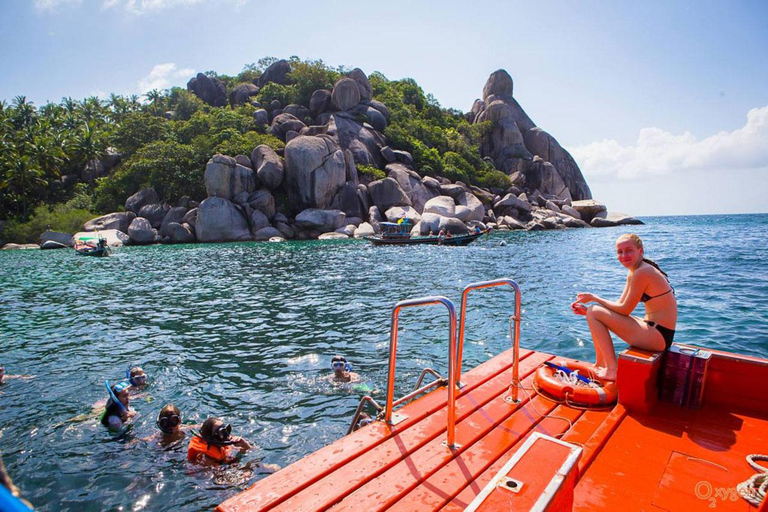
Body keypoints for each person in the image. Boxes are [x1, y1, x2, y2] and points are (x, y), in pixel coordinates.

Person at [571, 233, 677, 381]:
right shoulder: (635, 271)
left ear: (640, 251)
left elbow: (625, 310)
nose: (623, 255)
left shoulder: (643, 272)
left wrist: (594, 298)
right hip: (655, 331)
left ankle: (612, 369)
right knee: (593, 312)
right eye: (619, 252)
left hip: (658, 336)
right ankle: (601, 363)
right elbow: (620, 306)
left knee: (594, 311)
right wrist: (589, 311)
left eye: (629, 250)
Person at [187, 417, 252, 465]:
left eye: (227, 430)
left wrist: (245, 445)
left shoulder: (225, 446)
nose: (226, 435)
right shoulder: (206, 458)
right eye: (221, 432)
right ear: (211, 438)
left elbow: (255, 451)